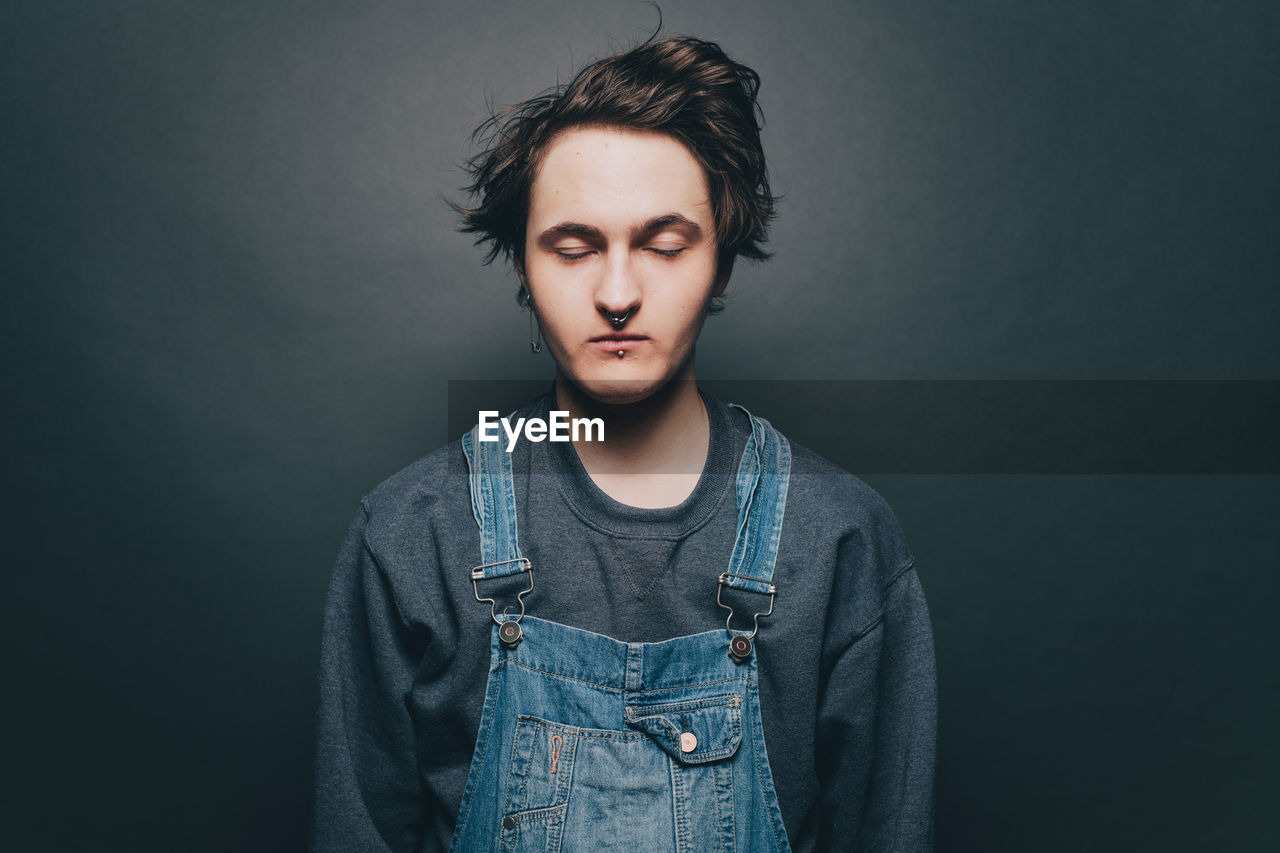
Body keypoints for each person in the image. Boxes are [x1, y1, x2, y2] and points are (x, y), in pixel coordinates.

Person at [311, 33, 936, 853]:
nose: (616, 293)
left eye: (664, 245)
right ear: (525, 270)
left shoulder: (840, 539)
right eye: (573, 248)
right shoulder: (412, 531)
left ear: (720, 259)